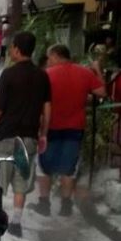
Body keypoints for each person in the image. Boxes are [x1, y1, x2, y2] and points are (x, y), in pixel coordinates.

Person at [0, 32, 51, 238]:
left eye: (11, 48)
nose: (10, 51)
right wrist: (43, 134)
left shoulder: (8, 74)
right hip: (28, 139)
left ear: (17, 49)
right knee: (21, 180)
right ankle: (16, 223)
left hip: (4, 137)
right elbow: (47, 109)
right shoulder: (42, 76)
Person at [29, 44, 106, 217]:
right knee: (69, 168)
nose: (48, 61)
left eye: (49, 58)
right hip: (75, 128)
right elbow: (102, 92)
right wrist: (97, 70)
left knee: (44, 166)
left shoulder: (46, 75)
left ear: (56, 56)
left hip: (49, 128)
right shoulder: (85, 73)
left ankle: (44, 204)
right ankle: (66, 205)